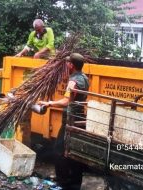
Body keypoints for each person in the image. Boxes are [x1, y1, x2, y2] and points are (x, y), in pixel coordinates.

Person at [39, 53, 89, 189]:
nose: (66, 65)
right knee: (74, 152)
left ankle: (64, 182)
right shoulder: (84, 78)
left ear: (71, 65)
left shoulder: (73, 81)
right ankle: (75, 184)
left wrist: (49, 103)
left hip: (70, 120)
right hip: (80, 118)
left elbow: (67, 101)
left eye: (67, 63)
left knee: (59, 151)